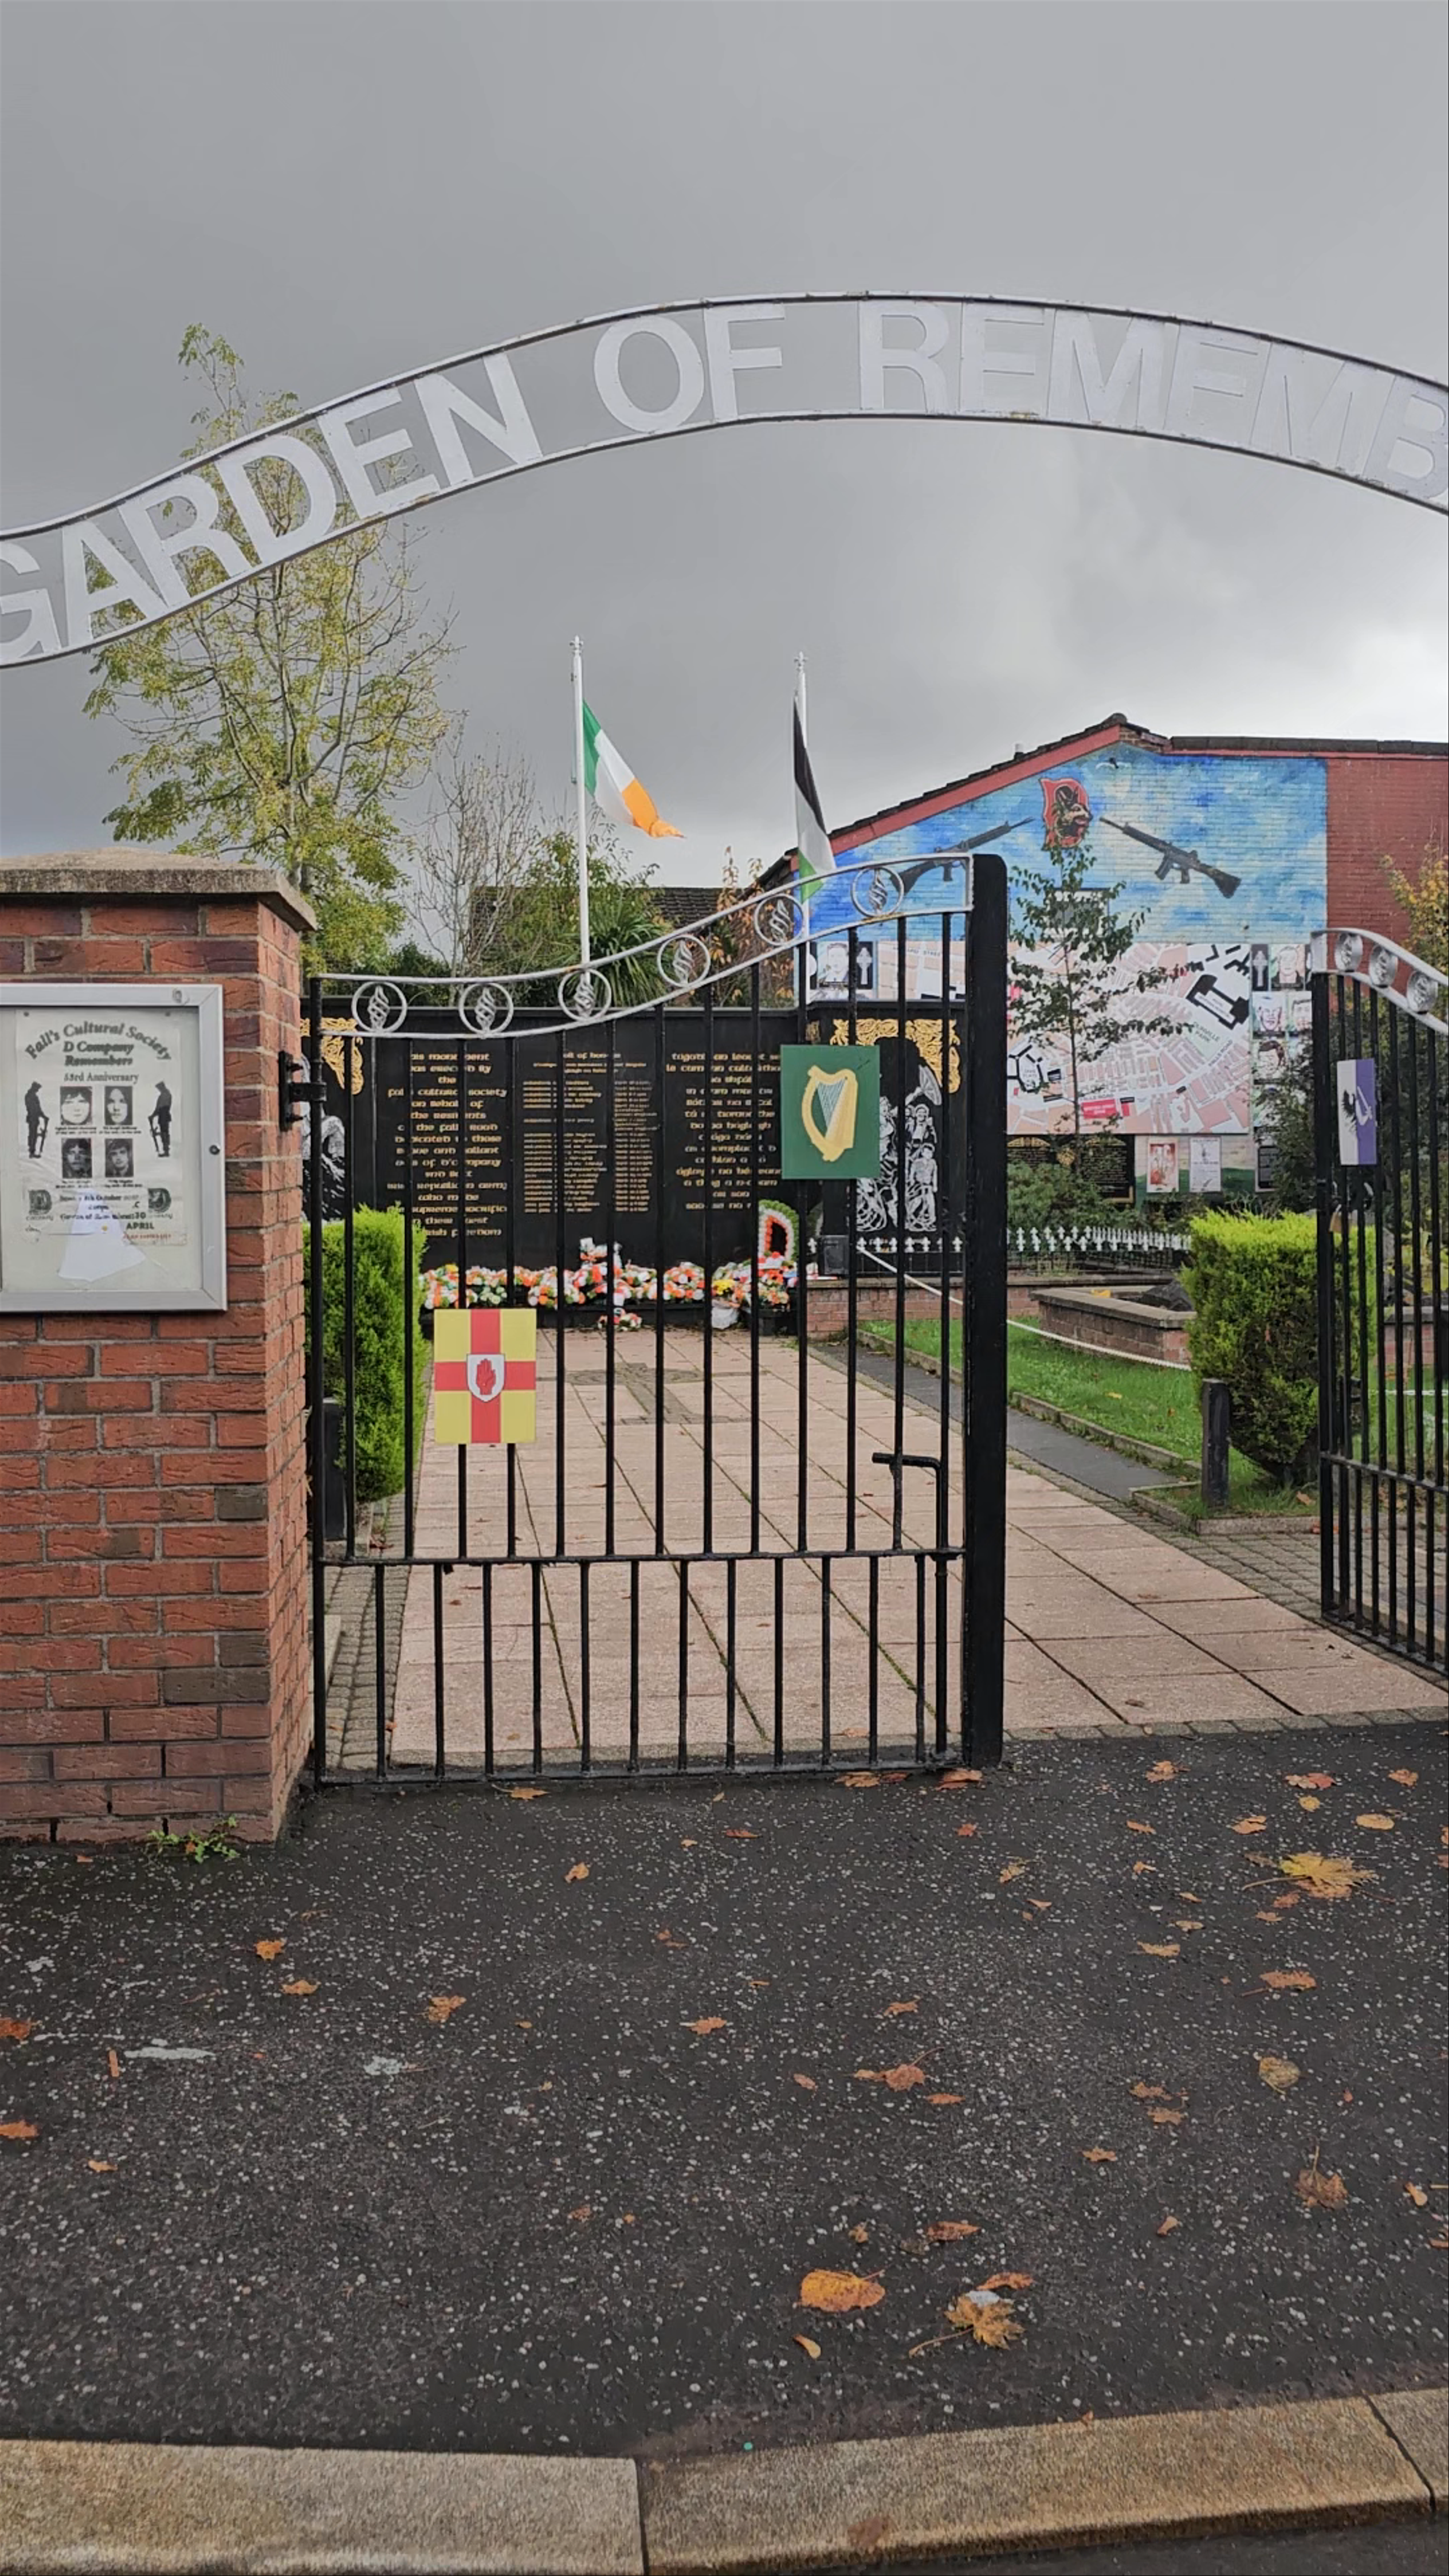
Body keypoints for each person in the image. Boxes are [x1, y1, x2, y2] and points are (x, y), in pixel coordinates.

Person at [151, 1081, 172, 1157]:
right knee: (165, 1133)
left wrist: (153, 1116)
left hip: (163, 1115)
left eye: (159, 1088)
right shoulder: (168, 1094)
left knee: (164, 1133)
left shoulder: (164, 1095)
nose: (159, 1090)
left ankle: (166, 1151)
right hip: (165, 1115)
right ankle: (166, 1151)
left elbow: (159, 1108)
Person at [24, 1080, 44, 1156]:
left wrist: (43, 1115)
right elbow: (34, 1109)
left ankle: (32, 1151)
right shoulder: (30, 1096)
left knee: (34, 1134)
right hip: (33, 1118)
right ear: (34, 1088)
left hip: (35, 1118)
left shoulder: (34, 1096)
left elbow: (38, 1108)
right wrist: (41, 1115)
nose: (38, 1090)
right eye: (37, 1088)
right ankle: (32, 1152)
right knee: (33, 1135)